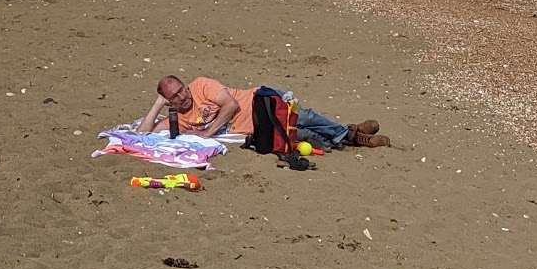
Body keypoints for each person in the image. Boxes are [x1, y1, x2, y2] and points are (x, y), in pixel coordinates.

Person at [135, 76, 390, 149]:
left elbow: (232, 105)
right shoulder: (176, 118)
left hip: (259, 101)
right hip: (256, 129)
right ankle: (350, 133)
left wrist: (208, 132)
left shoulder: (201, 86)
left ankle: (354, 136)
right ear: (169, 102)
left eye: (181, 89)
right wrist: (157, 104)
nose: (183, 96)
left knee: (304, 117)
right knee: (300, 135)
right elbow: (143, 134)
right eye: (175, 96)